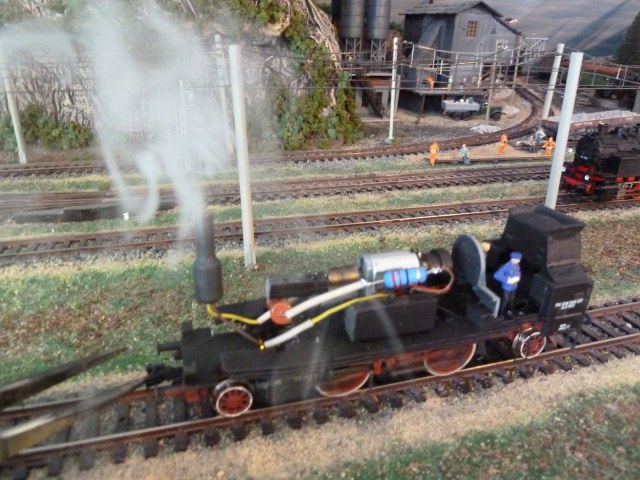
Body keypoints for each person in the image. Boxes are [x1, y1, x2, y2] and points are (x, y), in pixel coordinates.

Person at [493, 251, 522, 316]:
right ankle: (501, 313)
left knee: (511, 299)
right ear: (513, 259)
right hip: (507, 287)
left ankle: (509, 311)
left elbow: (518, 272)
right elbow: (496, 275)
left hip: (514, 286)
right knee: (505, 300)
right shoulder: (507, 266)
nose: (518, 261)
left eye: (519, 259)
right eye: (517, 259)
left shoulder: (517, 266)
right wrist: (507, 280)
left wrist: (518, 277)